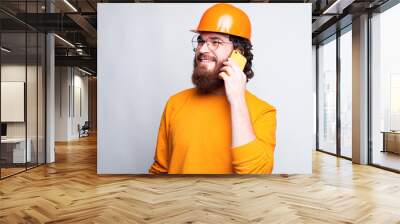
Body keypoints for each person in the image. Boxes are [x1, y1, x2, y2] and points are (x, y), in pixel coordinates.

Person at [149, 3, 276, 174]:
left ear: (238, 53)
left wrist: (237, 101)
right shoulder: (175, 103)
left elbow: (255, 175)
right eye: (201, 41)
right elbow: (160, 170)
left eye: (215, 41)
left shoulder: (263, 112)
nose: (202, 49)